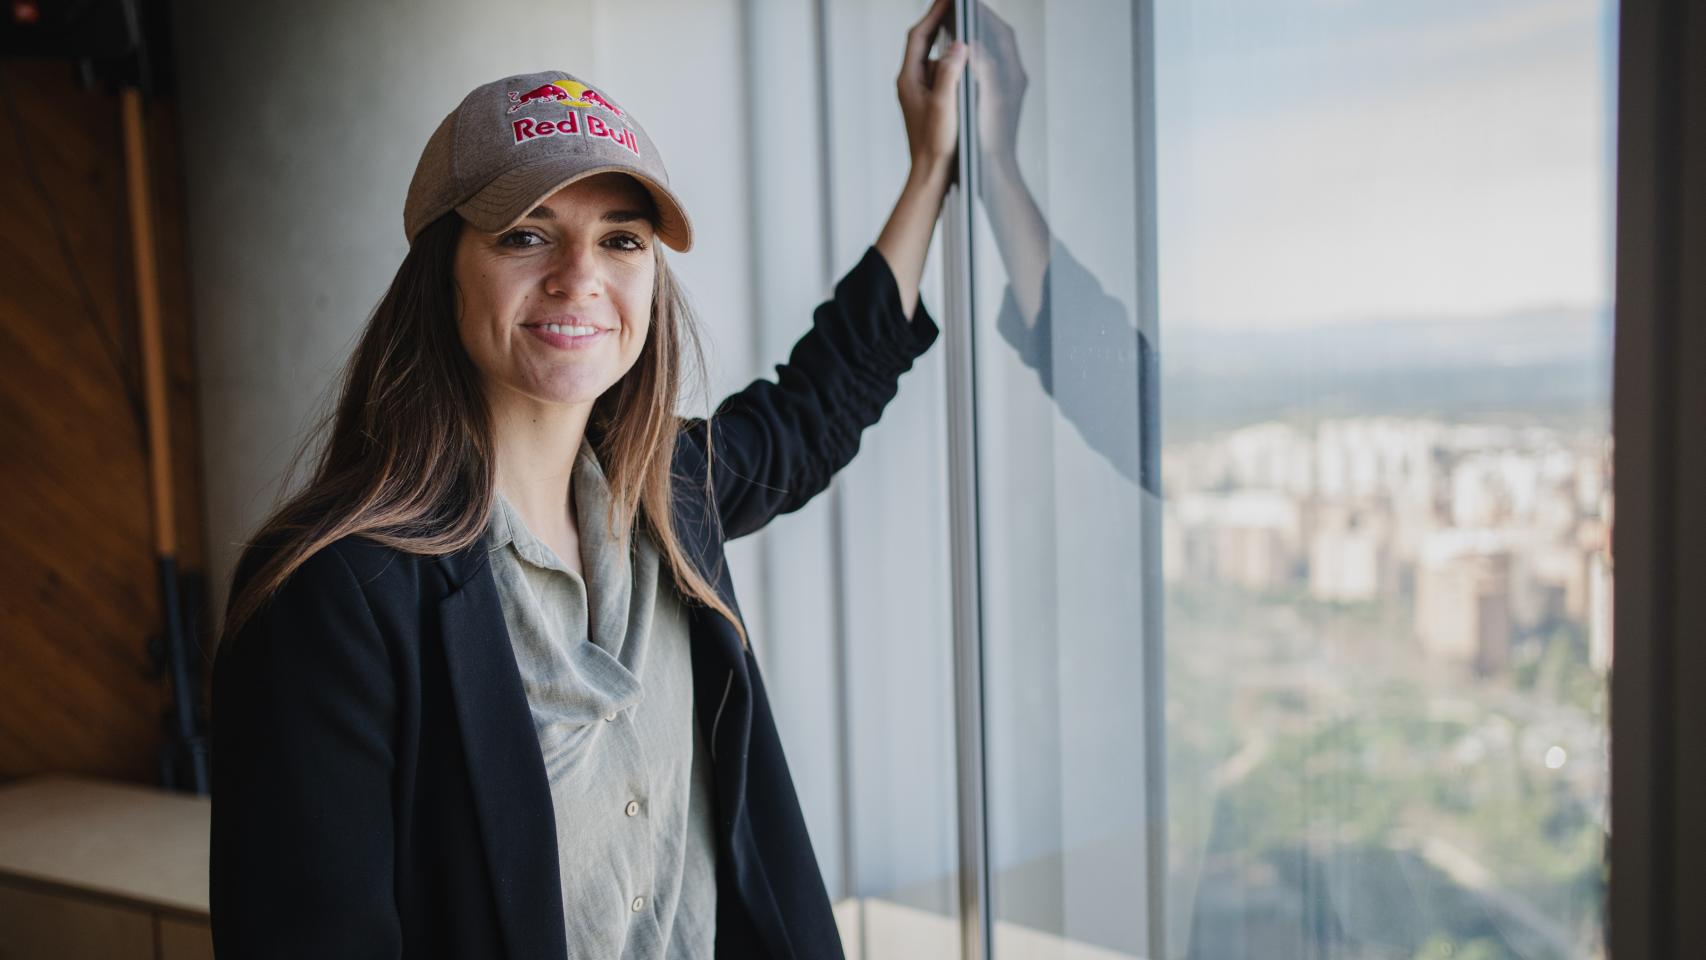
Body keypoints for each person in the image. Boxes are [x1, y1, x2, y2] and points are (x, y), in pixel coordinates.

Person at [206, 1, 970, 957]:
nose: (581, 276)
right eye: (526, 234)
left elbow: (820, 404)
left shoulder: (669, 494)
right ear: (444, 271)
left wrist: (931, 169)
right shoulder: (334, 594)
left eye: (622, 238)